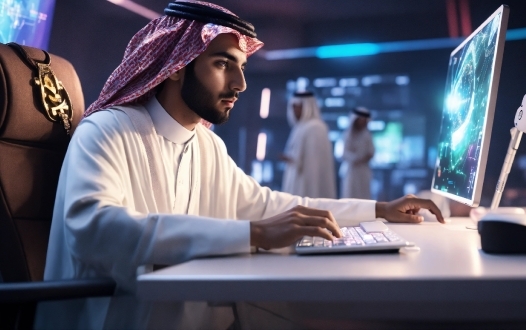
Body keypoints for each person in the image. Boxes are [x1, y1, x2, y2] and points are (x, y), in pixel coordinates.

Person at [36, 1, 444, 329]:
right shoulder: (106, 131)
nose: (240, 84)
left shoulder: (206, 145)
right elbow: (97, 229)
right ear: (177, 66)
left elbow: (268, 206)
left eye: (241, 67)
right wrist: (253, 233)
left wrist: (377, 211)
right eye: (222, 64)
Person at [280, 91, 337, 198]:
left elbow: (313, 165)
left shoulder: (316, 128)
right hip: (296, 181)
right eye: (294, 107)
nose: (295, 110)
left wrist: (294, 160)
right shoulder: (299, 128)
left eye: (299, 107)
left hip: (309, 186)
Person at [341, 106, 375, 199]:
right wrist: (355, 159)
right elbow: (344, 153)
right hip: (351, 170)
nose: (361, 122)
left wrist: (362, 159)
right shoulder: (348, 135)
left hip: (363, 170)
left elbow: (371, 152)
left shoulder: (367, 135)